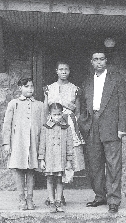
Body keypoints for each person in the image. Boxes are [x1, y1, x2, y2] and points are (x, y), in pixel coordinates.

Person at [78, 50, 126, 213]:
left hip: (111, 127)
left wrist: (122, 127)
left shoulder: (116, 79)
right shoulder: (87, 81)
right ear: (91, 62)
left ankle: (113, 199)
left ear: (106, 61)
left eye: (101, 59)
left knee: (113, 164)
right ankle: (100, 196)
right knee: (95, 164)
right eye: (95, 59)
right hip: (92, 126)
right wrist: (84, 124)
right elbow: (83, 105)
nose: (98, 62)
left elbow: (123, 104)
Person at [43, 61, 85, 205]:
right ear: (56, 71)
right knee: (52, 158)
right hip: (51, 125)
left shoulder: (74, 89)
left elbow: (77, 112)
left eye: (66, 69)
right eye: (61, 69)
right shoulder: (49, 88)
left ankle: (61, 196)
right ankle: (51, 196)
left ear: (69, 71)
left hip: (68, 125)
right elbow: (45, 109)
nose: (64, 72)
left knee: (65, 159)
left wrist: (71, 124)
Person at [2, 77, 44, 210]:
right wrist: (6, 143)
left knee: (31, 170)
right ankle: (21, 199)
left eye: (32, 86)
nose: (30, 89)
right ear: (20, 88)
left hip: (33, 143)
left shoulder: (39, 105)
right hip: (17, 143)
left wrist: (41, 145)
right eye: (26, 86)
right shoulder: (13, 103)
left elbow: (43, 126)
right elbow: (7, 125)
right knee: (18, 170)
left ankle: (30, 199)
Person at [38, 103, 73, 213]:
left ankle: (58, 201)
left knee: (59, 180)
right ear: (50, 114)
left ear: (62, 114)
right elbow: (42, 144)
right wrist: (41, 159)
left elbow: (69, 145)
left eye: (59, 114)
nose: (57, 117)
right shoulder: (45, 127)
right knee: (49, 179)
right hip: (50, 159)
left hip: (61, 159)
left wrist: (69, 160)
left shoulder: (66, 128)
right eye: (54, 115)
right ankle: (52, 201)